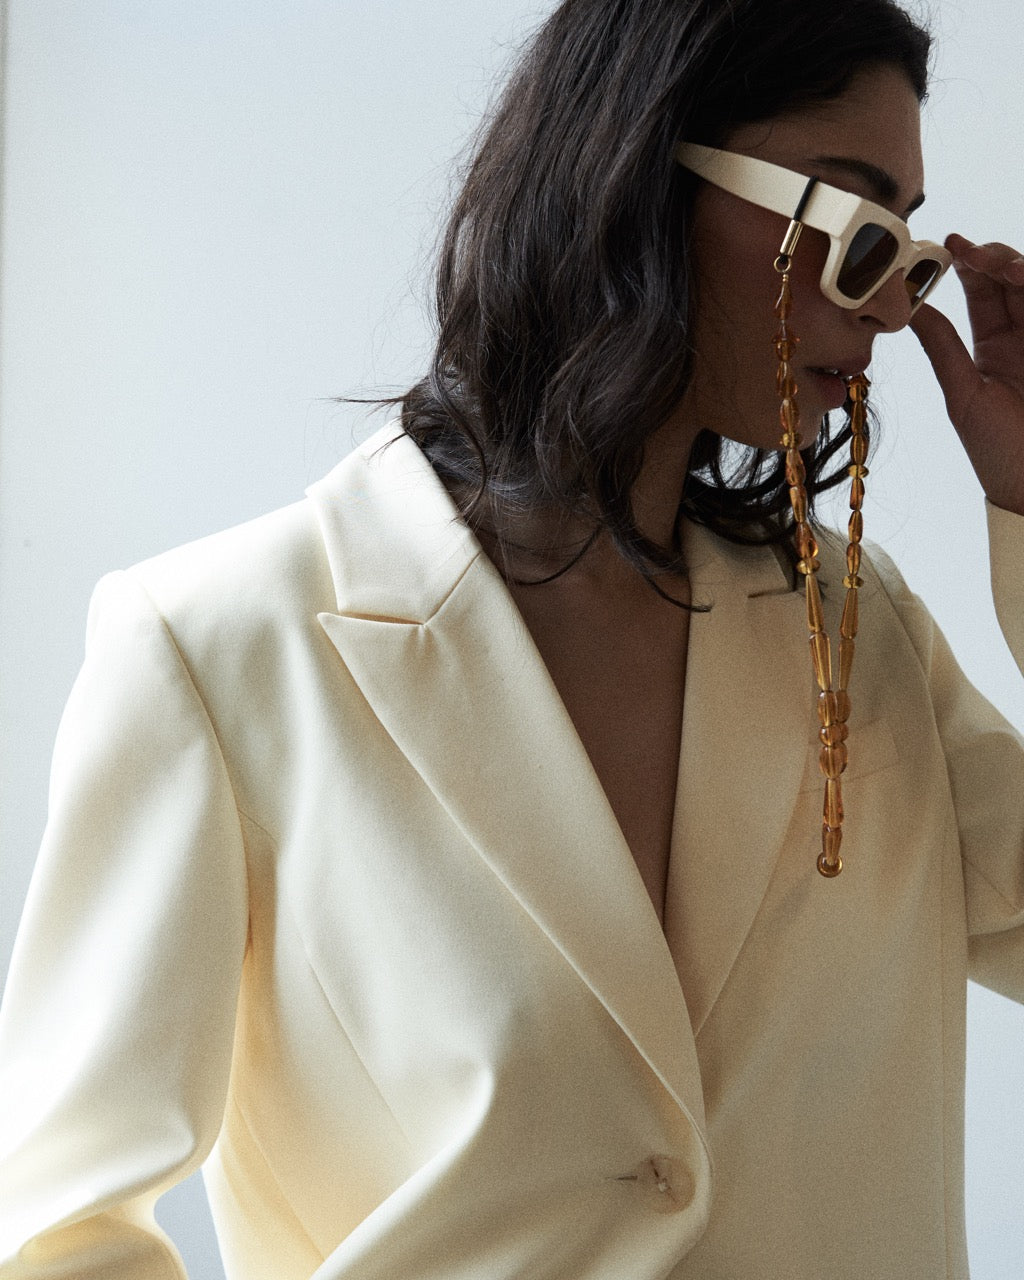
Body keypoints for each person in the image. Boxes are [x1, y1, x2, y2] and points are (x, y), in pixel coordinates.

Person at [1, 0, 1022, 1275]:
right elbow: (62, 1226)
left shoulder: (857, 645)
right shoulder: (220, 651)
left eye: (908, 254)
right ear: (643, 176)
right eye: (857, 230)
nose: (885, 308)